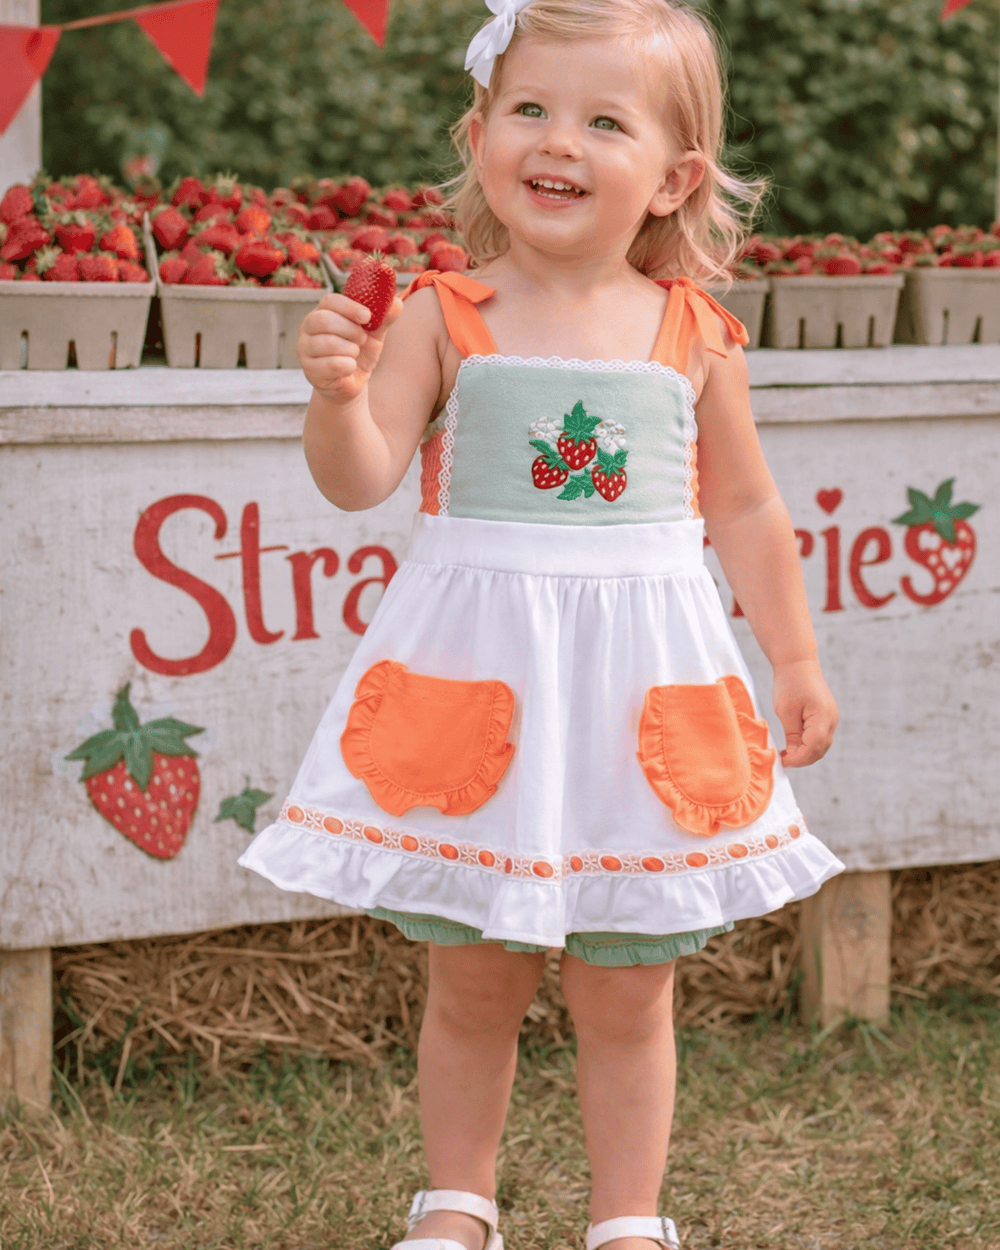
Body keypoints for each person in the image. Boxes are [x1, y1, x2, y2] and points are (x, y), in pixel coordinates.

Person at [240, 1, 842, 1246]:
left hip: (635, 702)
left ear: (672, 175)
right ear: (477, 133)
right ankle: (457, 1196)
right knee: (474, 976)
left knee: (628, 983)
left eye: (601, 121)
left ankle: (628, 1216)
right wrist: (336, 397)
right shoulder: (443, 313)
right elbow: (360, 476)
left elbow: (745, 507)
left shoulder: (691, 333)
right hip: (487, 689)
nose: (555, 141)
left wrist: (792, 652)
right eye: (528, 110)